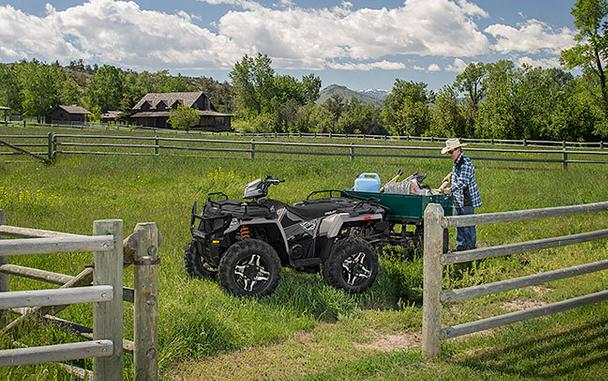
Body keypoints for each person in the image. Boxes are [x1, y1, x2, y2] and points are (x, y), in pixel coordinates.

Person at [441, 138, 482, 251]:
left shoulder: (465, 162)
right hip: (458, 198)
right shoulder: (458, 162)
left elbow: (463, 181)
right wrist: (450, 176)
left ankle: (471, 248)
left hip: (466, 198)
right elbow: (458, 174)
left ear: (458, 149)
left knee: (468, 224)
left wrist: (450, 189)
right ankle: (461, 246)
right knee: (459, 223)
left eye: (450, 152)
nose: (450, 154)